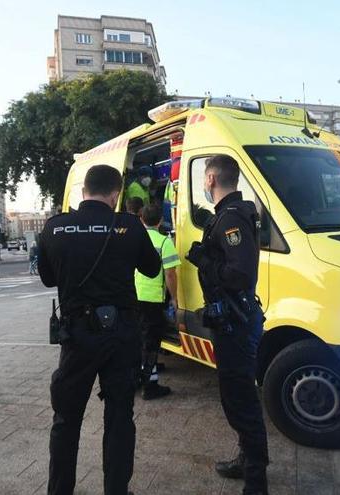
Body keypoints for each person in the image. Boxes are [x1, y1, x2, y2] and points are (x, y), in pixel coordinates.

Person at [37, 164, 160, 495]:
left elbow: (48, 278)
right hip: (121, 335)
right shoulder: (129, 226)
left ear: (83, 191)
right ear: (116, 194)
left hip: (76, 336)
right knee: (120, 417)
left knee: (66, 419)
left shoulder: (55, 228)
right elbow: (152, 269)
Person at [185, 155, 269, 495]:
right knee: (236, 396)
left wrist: (204, 261)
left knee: (241, 400)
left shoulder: (231, 219)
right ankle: (246, 458)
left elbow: (240, 274)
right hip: (233, 320)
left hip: (235, 322)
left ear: (210, 179)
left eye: (205, 179)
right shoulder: (231, 215)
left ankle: (256, 480)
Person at [134, 204, 179, 400]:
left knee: (138, 340)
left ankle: (136, 379)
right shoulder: (164, 243)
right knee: (151, 344)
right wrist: (175, 298)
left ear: (141, 219)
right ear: (160, 220)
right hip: (153, 300)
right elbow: (170, 274)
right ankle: (150, 386)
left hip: (134, 297)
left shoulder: (134, 241)